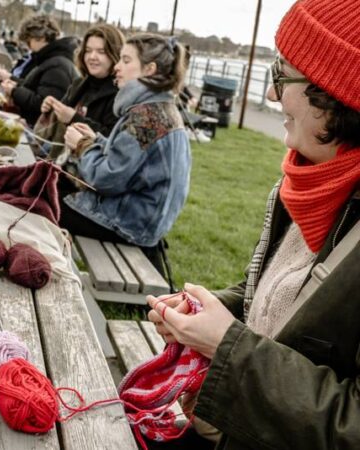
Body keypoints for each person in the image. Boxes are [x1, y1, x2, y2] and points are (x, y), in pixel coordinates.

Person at [146, 1, 360, 449]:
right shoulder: (312, 182)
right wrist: (203, 317)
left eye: (281, 75)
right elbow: (282, 304)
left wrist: (228, 347)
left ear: (336, 89)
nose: (269, 95)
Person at [61, 33, 191, 274]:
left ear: (149, 69)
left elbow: (106, 179)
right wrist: (95, 139)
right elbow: (126, 162)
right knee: (52, 185)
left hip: (131, 224)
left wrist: (82, 146)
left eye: (126, 60)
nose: (117, 67)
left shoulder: (146, 118)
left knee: (44, 201)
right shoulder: (159, 108)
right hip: (143, 219)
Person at [38, 24, 123, 149]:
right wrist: (51, 108)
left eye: (101, 52)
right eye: (88, 51)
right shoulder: (79, 84)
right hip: (58, 155)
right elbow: (58, 123)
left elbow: (112, 140)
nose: (92, 57)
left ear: (114, 55)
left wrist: (74, 118)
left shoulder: (120, 94)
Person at [0, 14, 78, 126]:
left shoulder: (57, 66)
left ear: (40, 38)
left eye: (29, 41)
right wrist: (14, 82)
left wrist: (14, 91)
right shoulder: (53, 60)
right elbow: (37, 87)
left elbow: (42, 104)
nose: (28, 46)